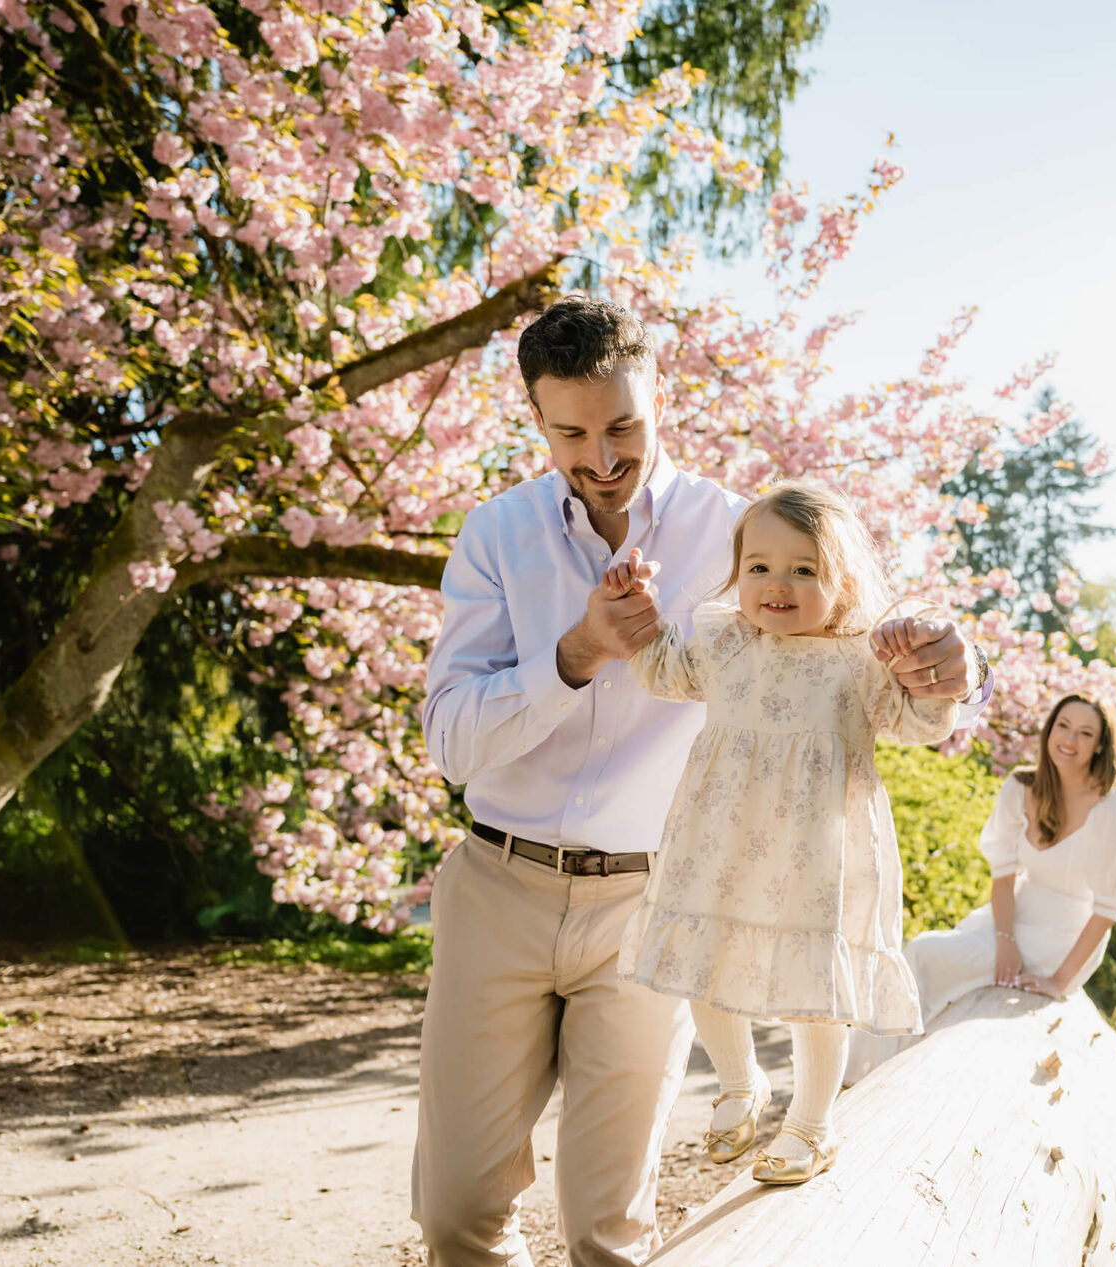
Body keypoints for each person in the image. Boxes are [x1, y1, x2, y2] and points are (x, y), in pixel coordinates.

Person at [413, 296, 991, 1267]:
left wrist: (949, 666)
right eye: (571, 432)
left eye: (623, 424)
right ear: (535, 421)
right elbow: (451, 742)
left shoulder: (742, 536)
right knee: (457, 1214)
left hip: (653, 901)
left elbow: (858, 644)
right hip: (497, 885)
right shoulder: (496, 535)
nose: (600, 456)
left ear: (661, 398)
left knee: (607, 1229)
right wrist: (578, 650)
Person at [604, 481, 954, 1187]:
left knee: (812, 986)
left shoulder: (861, 658)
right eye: (758, 566)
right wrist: (636, 615)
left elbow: (921, 725)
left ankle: (812, 1124)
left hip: (817, 852)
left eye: (804, 569)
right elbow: (665, 671)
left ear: (842, 581)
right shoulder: (727, 639)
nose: (777, 585)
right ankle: (739, 1082)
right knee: (705, 960)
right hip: (719, 838)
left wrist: (930, 674)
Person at [845, 692, 1116, 1083]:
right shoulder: (1022, 786)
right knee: (924, 955)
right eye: (1064, 727)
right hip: (1012, 915)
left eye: (1085, 733)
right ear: (1049, 729)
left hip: (1064, 935)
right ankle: (867, 1076)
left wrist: (1059, 980)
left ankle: (863, 1076)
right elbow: (1003, 876)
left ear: (1102, 745)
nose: (1070, 741)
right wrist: (1005, 938)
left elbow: (1108, 909)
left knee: (923, 953)